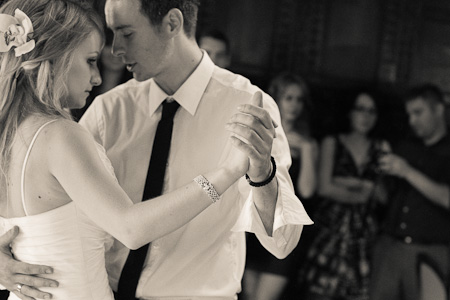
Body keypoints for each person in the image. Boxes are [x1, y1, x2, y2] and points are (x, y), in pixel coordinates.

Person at [0, 0, 312, 299]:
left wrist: (261, 173)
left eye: (126, 33)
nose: (116, 49)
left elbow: (282, 244)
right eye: (111, 36)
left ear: (172, 23)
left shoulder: (247, 105)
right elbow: (40, 196)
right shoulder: (107, 110)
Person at [299, 90, 388, 300]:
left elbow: (383, 196)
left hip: (364, 234)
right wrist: (361, 187)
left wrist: (344, 183)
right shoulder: (333, 142)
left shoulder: (380, 147)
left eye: (371, 111)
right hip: (331, 228)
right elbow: (324, 188)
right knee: (319, 291)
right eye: (360, 109)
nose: (365, 116)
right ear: (349, 112)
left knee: (357, 292)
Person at [370, 84, 450, 300]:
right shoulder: (405, 147)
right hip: (390, 246)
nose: (412, 121)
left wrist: (406, 171)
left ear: (439, 110)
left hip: (432, 250)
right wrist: (378, 175)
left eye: (418, 112)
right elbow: (385, 197)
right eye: (409, 114)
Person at [243, 73, 318, 300]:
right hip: (255, 224)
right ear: (276, 99)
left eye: (299, 99)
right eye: (289, 98)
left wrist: (305, 150)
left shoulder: (309, 142)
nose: (294, 105)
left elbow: (307, 190)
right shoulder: (262, 134)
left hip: (286, 228)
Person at [71, 27, 133, 120]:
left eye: (121, 47)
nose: (114, 53)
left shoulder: (135, 92)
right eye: (109, 45)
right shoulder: (82, 87)